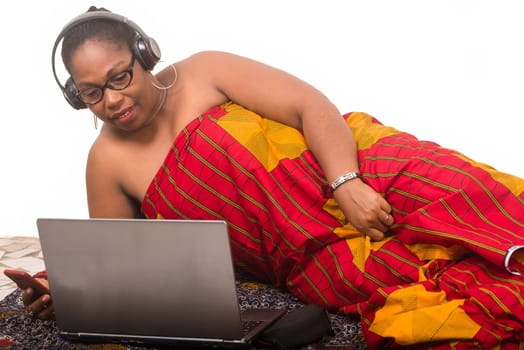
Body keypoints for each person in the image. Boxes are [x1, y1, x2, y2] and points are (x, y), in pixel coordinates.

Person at [24, 6, 524, 348]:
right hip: (305, 249)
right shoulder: (106, 162)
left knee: (473, 200)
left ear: (145, 55)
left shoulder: (204, 70)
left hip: (354, 162)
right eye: (91, 93)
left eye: (119, 77)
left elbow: (310, 105)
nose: (111, 100)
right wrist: (66, 291)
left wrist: (346, 183)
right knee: (440, 296)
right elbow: (125, 267)